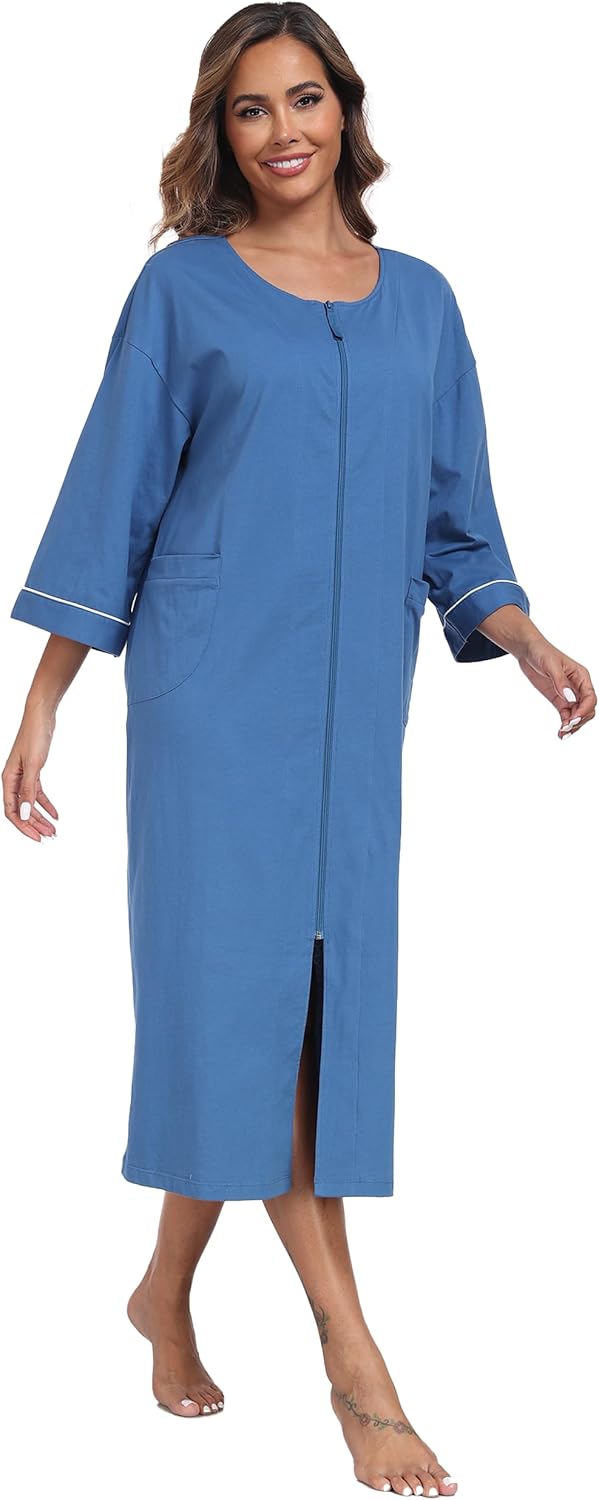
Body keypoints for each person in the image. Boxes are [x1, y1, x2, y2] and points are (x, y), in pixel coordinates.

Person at [4, 5, 595, 1495]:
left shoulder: (423, 303)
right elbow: (113, 492)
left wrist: (526, 640)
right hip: (210, 705)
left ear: (346, 109)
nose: (283, 132)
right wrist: (47, 696)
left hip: (355, 717)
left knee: (305, 1020)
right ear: (223, 131)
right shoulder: (184, 291)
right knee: (245, 1005)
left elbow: (457, 517)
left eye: (306, 99)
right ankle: (356, 1358)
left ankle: (160, 1291)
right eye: (252, 108)